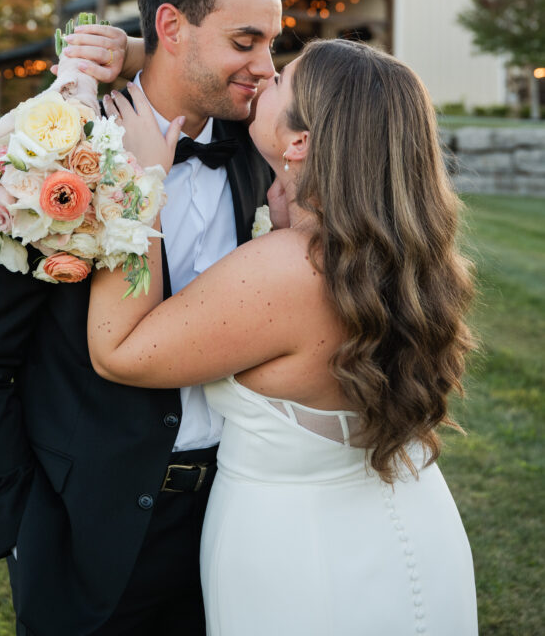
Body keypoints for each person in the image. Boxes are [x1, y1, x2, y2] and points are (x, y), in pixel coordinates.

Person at [0, 0, 297, 635]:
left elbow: (367, 92)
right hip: (83, 527)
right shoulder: (45, 154)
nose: (265, 67)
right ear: (172, 25)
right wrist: (19, 526)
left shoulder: (263, 149)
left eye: (271, 44)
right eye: (244, 41)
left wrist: (133, 52)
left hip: (240, 513)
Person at [84, 38, 479, 636]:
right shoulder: (401, 259)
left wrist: (140, 188)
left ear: (300, 141)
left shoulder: (289, 267)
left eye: (280, 80)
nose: (263, 74)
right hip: (412, 532)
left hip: (304, 565)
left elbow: (120, 351)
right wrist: (150, 52)